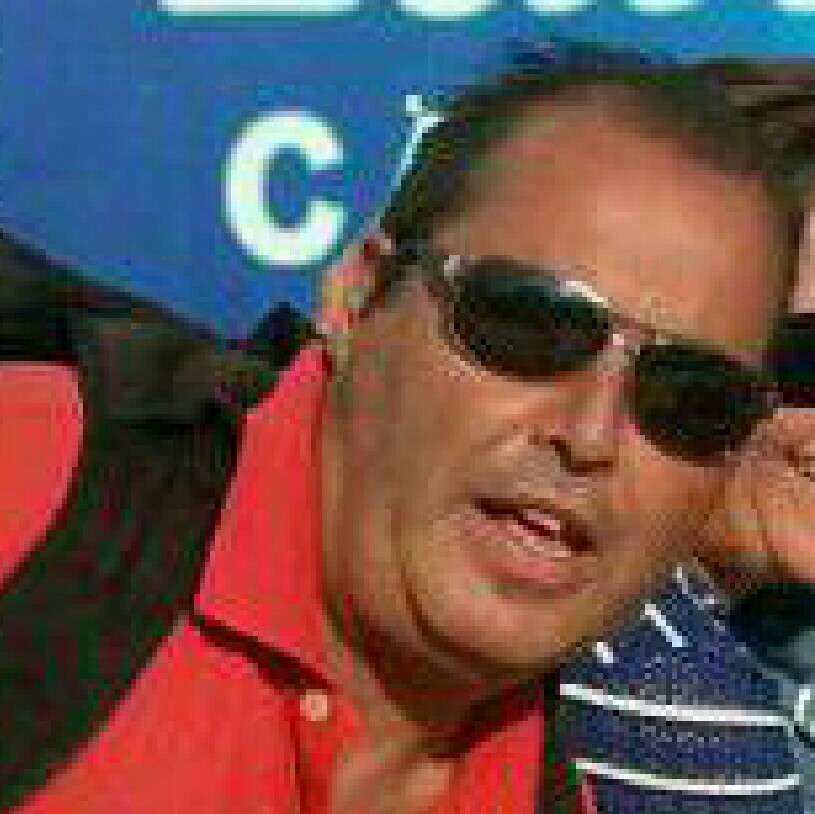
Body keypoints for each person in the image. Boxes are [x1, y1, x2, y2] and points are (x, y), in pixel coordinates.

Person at [0, 43, 813, 814]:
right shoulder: (35, 485)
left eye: (690, 395)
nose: (591, 435)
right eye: (527, 325)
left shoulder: (585, 776)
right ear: (357, 296)